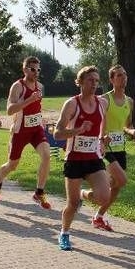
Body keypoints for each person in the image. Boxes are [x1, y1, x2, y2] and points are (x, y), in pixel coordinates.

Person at [53, 66, 112, 251]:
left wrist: (103, 138)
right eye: (90, 80)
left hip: (93, 158)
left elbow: (102, 123)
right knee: (72, 205)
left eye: (96, 80)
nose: (94, 84)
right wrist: (77, 130)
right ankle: (64, 233)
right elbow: (57, 134)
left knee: (105, 197)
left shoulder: (102, 103)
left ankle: (83, 193)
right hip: (74, 160)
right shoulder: (72, 104)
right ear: (79, 82)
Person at [81, 65, 135, 231]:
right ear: (112, 80)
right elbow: (94, 119)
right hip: (104, 147)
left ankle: (98, 215)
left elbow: (126, 125)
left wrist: (132, 131)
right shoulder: (104, 100)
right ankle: (83, 195)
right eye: (119, 76)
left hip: (120, 148)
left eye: (125, 75)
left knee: (116, 185)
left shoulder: (130, 101)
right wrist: (101, 137)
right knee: (120, 180)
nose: (123, 78)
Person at [0, 56, 52, 208]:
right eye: (32, 69)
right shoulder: (18, 86)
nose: (36, 72)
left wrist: (42, 119)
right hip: (20, 131)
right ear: (24, 69)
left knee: (46, 155)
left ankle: (39, 192)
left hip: (36, 129)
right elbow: (10, 110)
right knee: (12, 166)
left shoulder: (40, 86)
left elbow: (37, 107)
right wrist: (28, 100)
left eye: (38, 69)